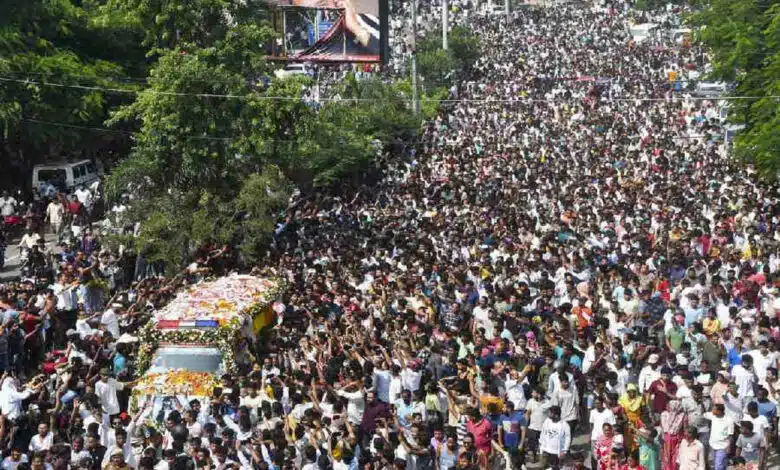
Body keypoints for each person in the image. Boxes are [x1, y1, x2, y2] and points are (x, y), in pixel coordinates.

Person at [539, 406, 570, 470]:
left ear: (556, 415)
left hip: (556, 452)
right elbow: (543, 433)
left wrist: (564, 450)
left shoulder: (564, 425)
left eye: (550, 413)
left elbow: (568, 438)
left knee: (555, 468)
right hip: (545, 450)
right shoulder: (547, 421)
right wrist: (541, 445)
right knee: (544, 467)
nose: (548, 414)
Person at [660, 400, 686, 470]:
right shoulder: (664, 414)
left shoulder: (682, 415)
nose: (667, 406)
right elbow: (664, 427)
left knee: (675, 456)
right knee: (667, 456)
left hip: (677, 438)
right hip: (667, 438)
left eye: (669, 405)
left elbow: (683, 427)